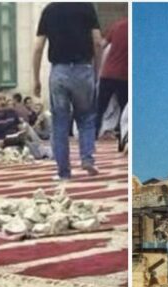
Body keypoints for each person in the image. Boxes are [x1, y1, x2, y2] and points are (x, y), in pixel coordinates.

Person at [33, 2, 102, 180]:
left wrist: (36, 79)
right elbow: (97, 42)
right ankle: (87, 159)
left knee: (59, 123)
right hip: (83, 69)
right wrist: (96, 72)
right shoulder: (87, 8)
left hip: (59, 72)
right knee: (86, 118)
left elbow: (38, 47)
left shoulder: (49, 10)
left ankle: (63, 171)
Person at [0, 91, 47, 159]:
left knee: (27, 129)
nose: (3, 102)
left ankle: (41, 150)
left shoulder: (12, 113)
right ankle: (41, 153)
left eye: (4, 99)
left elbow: (20, 127)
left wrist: (23, 130)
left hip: (19, 143)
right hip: (5, 147)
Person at [95, 15, 128, 139]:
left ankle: (93, 134)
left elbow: (102, 45)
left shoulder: (117, 25)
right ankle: (123, 136)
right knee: (125, 108)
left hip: (108, 73)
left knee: (100, 107)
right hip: (124, 76)